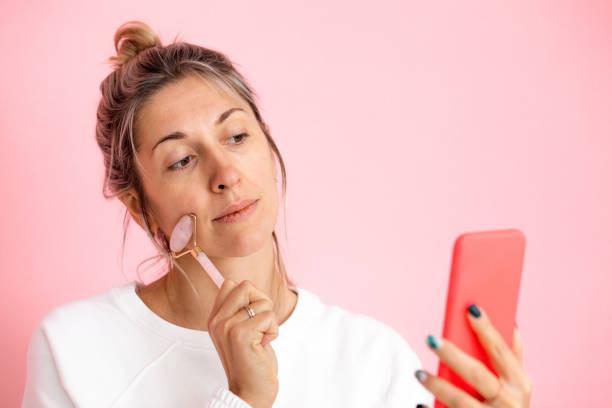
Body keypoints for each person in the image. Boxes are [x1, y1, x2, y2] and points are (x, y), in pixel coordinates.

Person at [22, 21, 533, 408]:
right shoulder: (73, 349)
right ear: (140, 209)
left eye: (237, 136)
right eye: (181, 160)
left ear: (268, 148)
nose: (224, 172)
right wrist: (242, 396)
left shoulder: (375, 357)